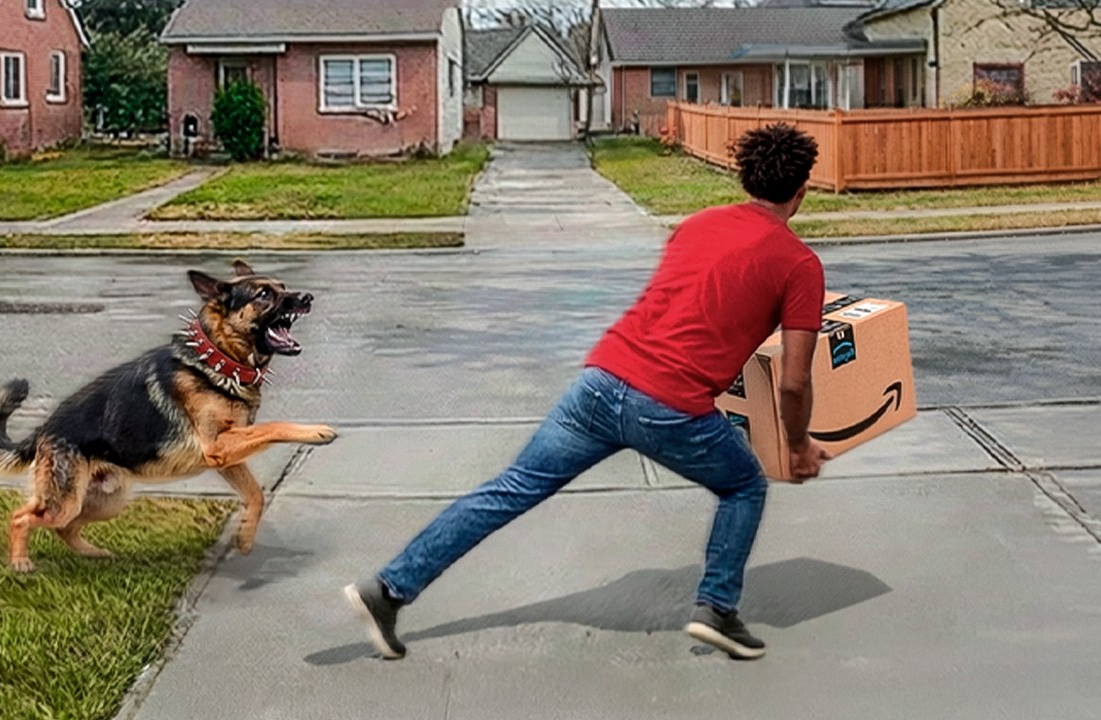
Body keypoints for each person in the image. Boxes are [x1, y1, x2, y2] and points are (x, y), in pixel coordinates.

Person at [344, 123, 832, 662]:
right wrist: (798, 446)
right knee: (745, 485)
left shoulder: (697, 225)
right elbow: (793, 381)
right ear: (802, 190)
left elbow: (690, 311)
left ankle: (387, 591)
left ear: (745, 179)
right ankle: (716, 607)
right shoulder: (799, 263)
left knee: (509, 489)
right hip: (671, 407)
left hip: (600, 384)